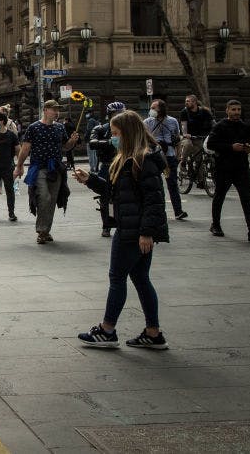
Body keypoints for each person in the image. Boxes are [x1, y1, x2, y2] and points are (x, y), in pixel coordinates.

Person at [73, 110, 170, 349]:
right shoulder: (128, 158)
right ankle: (153, 333)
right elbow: (115, 192)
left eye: (116, 134)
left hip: (132, 231)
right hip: (133, 227)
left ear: (128, 133)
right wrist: (90, 180)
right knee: (140, 278)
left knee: (117, 278)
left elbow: (154, 200)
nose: (112, 138)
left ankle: (107, 330)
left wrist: (146, 232)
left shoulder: (142, 160)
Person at [13, 100, 80, 244]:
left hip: (56, 168)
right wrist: (19, 166)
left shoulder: (60, 127)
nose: (56, 112)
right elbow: (25, 148)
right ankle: (41, 230)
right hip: (39, 168)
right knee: (44, 197)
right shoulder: (34, 127)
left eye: (58, 110)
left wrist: (72, 141)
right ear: (45, 110)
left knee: (52, 200)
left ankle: (45, 231)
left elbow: (65, 147)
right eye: (54, 109)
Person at [207, 100, 250, 241]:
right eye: (233, 109)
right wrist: (230, 147)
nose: (236, 112)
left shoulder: (245, 127)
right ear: (227, 110)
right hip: (224, 168)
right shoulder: (220, 126)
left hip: (242, 168)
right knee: (219, 196)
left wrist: (249, 147)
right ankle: (215, 225)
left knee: (246, 198)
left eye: (238, 109)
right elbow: (211, 144)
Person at [145, 99, 188, 221]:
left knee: (172, 184)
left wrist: (178, 155)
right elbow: (144, 139)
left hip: (169, 155)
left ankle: (178, 211)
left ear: (161, 109)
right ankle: (159, 211)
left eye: (154, 108)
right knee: (156, 184)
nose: (151, 110)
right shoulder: (147, 122)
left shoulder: (172, 121)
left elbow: (177, 138)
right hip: (154, 156)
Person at [88, 102, 125, 237]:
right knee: (106, 196)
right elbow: (92, 143)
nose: (119, 116)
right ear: (110, 115)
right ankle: (107, 225)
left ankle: (124, 223)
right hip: (107, 165)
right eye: (116, 114)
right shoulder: (101, 129)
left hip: (124, 165)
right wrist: (109, 142)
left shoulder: (129, 129)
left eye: (121, 114)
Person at [178, 94, 214, 165]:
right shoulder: (184, 112)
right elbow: (183, 125)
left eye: (188, 101)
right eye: (186, 101)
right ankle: (183, 162)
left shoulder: (204, 111)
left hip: (200, 137)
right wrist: (185, 134)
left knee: (199, 157)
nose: (186, 103)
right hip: (188, 137)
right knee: (187, 144)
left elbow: (213, 123)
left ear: (194, 102)